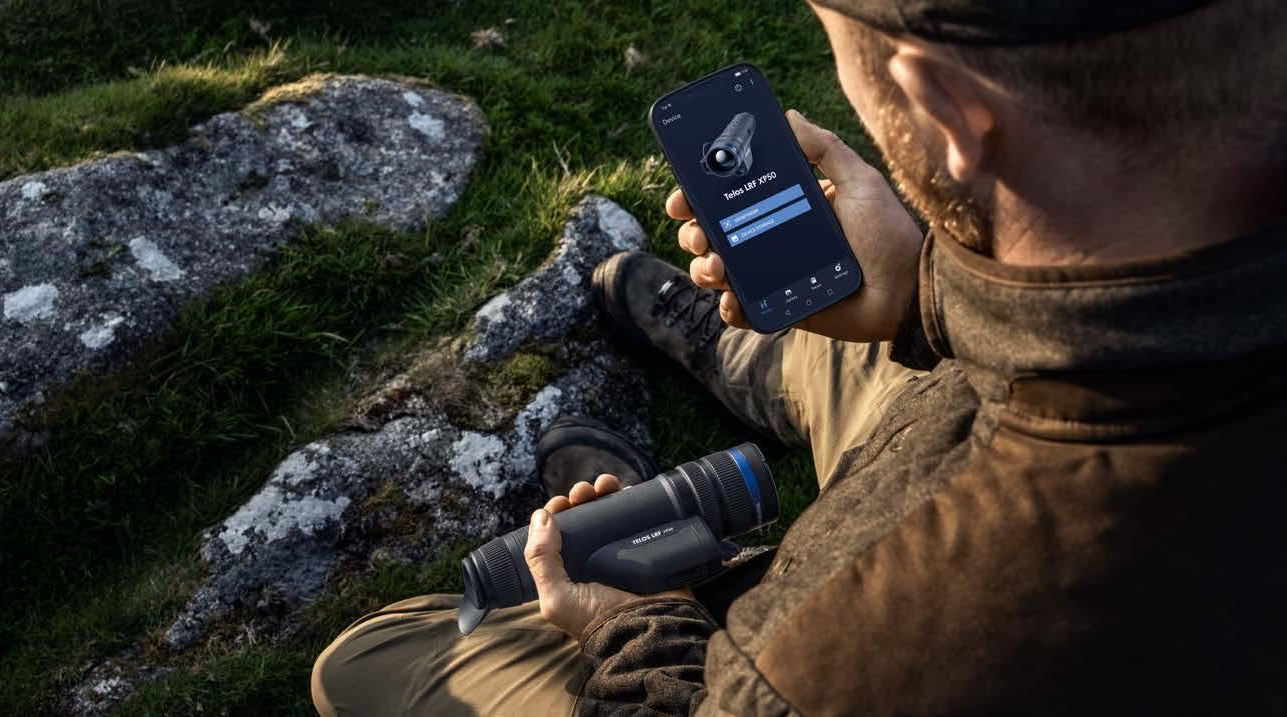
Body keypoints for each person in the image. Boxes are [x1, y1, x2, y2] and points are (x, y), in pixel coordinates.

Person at [312, 0, 1287, 713]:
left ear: (948, 111)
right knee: (862, 342)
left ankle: (674, 560)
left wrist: (630, 623)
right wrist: (921, 293)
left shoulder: (814, 669)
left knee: (371, 657)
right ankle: (738, 353)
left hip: (833, 613)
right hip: (1050, 415)